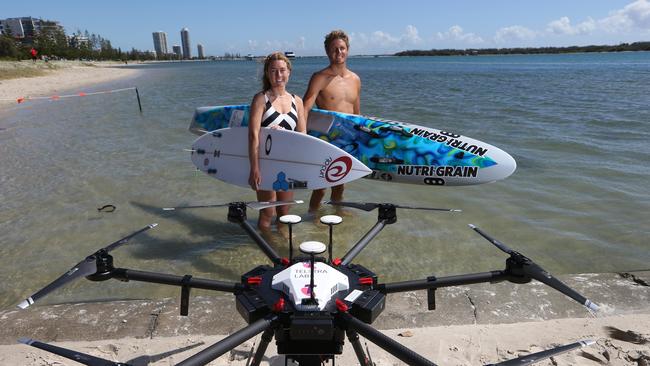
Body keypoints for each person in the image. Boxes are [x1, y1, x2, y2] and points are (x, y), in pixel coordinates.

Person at [303, 30, 361, 211]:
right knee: (320, 186)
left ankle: (338, 212)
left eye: (342, 48)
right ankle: (312, 217)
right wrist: (302, 137)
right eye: (334, 49)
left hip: (348, 138)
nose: (339, 53)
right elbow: (305, 108)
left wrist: (360, 139)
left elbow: (357, 112)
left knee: (341, 183)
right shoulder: (320, 78)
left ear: (348, 50)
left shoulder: (355, 79)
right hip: (327, 139)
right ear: (327, 52)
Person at [248, 52, 306, 230]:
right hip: (266, 164)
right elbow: (253, 135)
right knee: (267, 212)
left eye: (282, 70)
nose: (278, 75)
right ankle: (262, 248)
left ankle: (281, 247)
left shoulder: (297, 101)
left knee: (285, 212)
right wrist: (254, 168)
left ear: (289, 72)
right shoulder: (261, 99)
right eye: (273, 71)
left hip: (288, 163)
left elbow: (303, 135)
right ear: (267, 73)